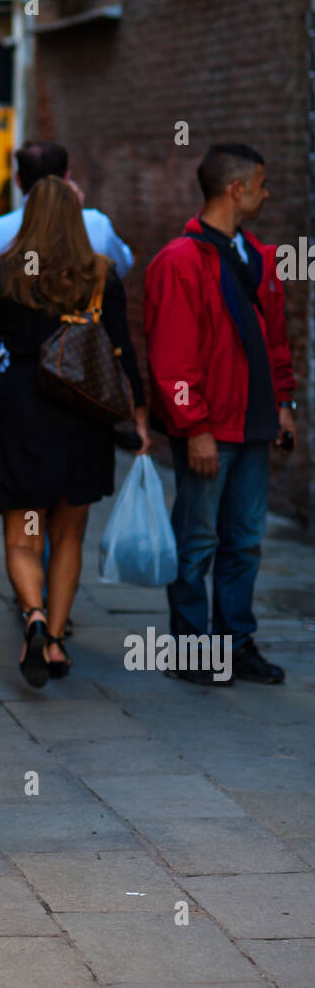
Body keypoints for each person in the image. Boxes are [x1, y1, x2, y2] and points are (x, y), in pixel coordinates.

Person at [0, 177, 150, 686]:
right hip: (84, 418)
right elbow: (122, 350)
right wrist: (139, 413)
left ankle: (33, 616)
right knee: (68, 533)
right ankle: (54, 643)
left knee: (26, 533)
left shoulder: (8, 272)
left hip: (26, 418)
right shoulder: (101, 274)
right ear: (76, 218)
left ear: (29, 217)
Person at [144, 144, 297, 686]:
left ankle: (235, 643)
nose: (267, 192)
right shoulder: (179, 262)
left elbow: (275, 342)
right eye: (261, 183)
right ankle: (190, 651)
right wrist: (195, 429)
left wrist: (284, 405)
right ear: (237, 189)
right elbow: (171, 358)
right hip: (211, 430)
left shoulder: (258, 254)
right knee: (198, 542)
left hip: (254, 427)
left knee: (245, 541)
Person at [0, 140, 134, 341]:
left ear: (17, 180)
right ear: (67, 177)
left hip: (17, 359)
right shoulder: (96, 224)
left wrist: (2, 356)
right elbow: (121, 267)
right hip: (80, 359)